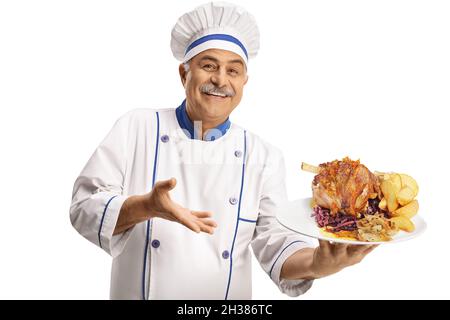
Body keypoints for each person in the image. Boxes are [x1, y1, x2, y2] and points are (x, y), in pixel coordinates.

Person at [70, 1, 377, 300]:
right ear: (184, 74)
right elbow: (83, 207)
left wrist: (317, 264)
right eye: (208, 66)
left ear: (244, 81)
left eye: (233, 70)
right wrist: (145, 207)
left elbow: (276, 241)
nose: (220, 80)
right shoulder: (136, 127)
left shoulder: (263, 156)